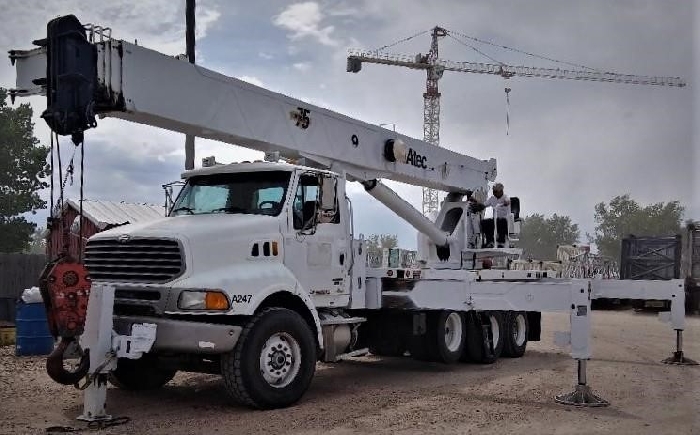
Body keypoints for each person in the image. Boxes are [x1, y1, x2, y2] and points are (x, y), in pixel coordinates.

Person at [469, 183, 510, 248]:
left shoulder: (505, 197)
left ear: (501, 191)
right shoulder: (492, 198)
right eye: (493, 191)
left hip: (504, 220)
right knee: (484, 222)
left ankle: (501, 242)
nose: (494, 193)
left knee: (501, 221)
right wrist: (475, 201)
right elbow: (483, 205)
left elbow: (507, 201)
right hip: (496, 219)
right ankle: (490, 242)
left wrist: (505, 203)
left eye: (496, 192)